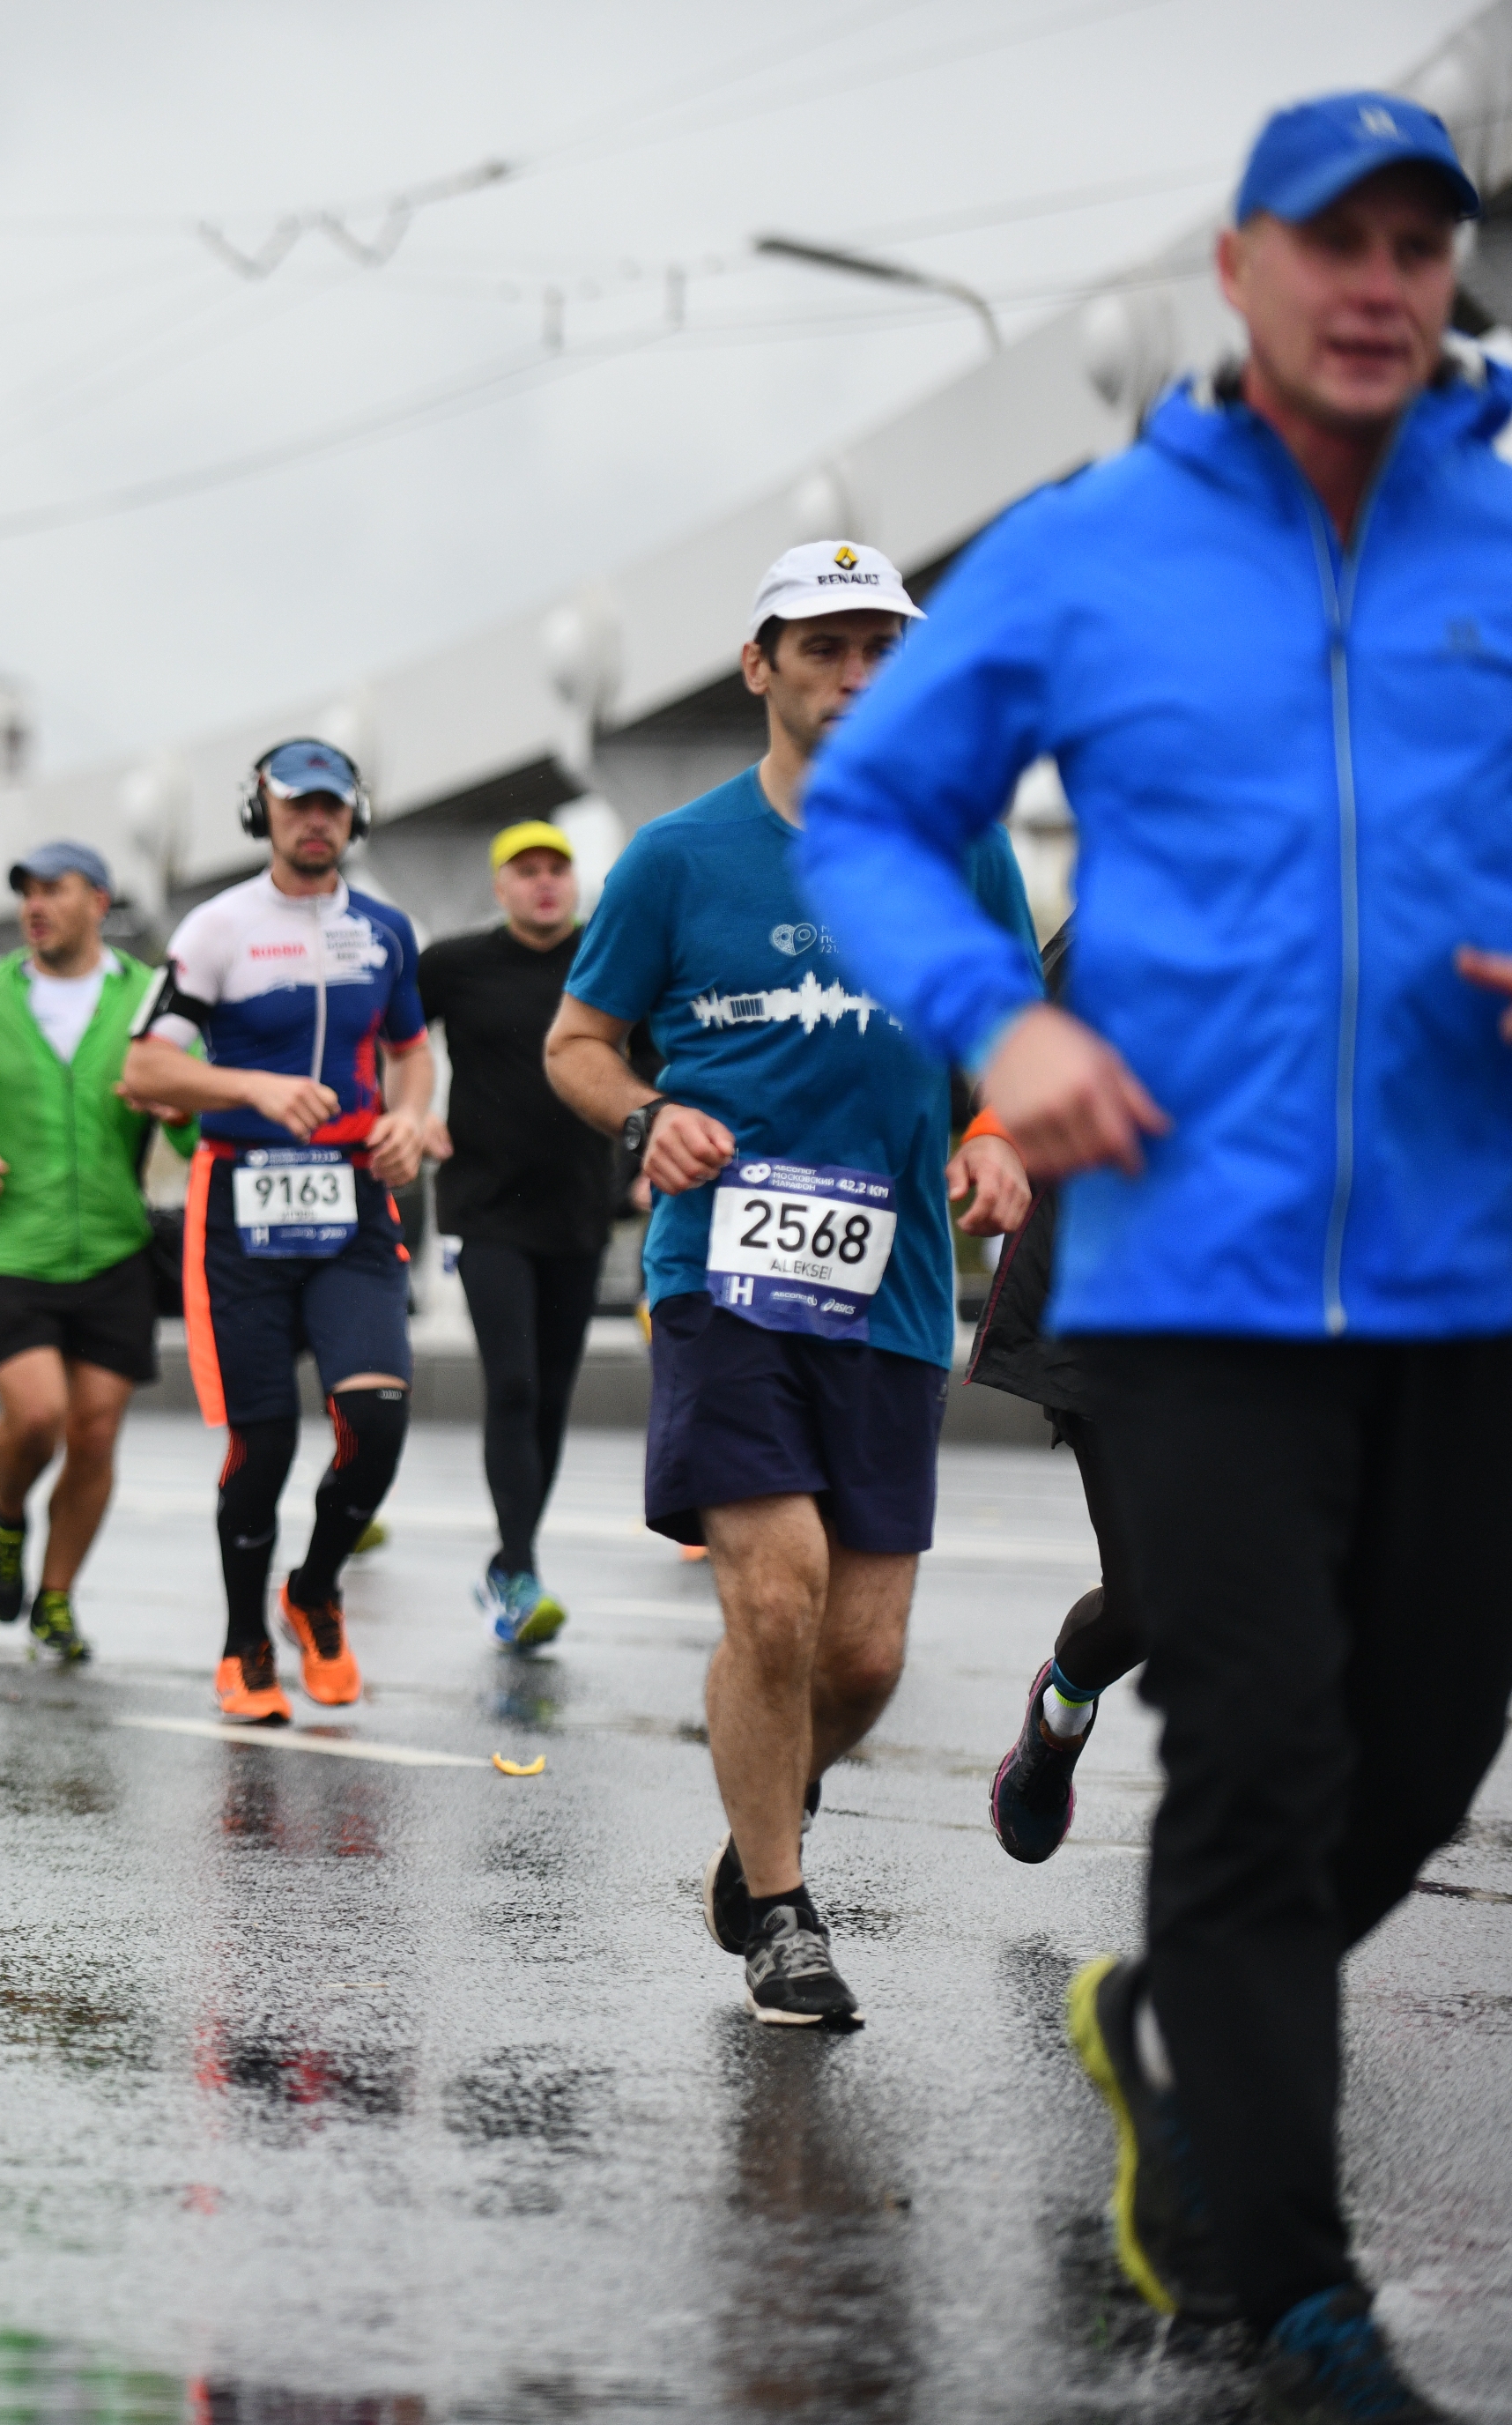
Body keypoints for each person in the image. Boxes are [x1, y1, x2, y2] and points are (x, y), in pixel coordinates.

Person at [796, 95, 1507, 2417]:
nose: (1382, 279)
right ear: (1241, 265)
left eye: (1424, 240)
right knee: (1268, 1750)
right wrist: (1006, 1024)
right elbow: (883, 819)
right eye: (1339, 241)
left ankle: (1183, 2025)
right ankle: (1283, 2288)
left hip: (1470, 1257)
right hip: (1189, 1272)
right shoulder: (1092, 550)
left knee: (1426, 1738)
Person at [544, 539, 1035, 2029]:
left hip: (887, 1284)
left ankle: (774, 1799)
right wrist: (644, 1115)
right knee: (774, 1599)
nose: (854, 675)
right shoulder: (676, 859)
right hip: (724, 1276)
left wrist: (999, 1136)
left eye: (880, 648)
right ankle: (777, 1910)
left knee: (864, 1650)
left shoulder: (959, 848)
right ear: (758, 666)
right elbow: (576, 1043)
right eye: (821, 647)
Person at [120, 740, 434, 1721]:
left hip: (351, 1202)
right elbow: (143, 1071)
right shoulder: (217, 928)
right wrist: (249, 1083)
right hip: (239, 1212)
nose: (316, 821)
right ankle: (242, 1638)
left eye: (332, 807)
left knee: (376, 1420)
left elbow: (411, 1053)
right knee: (261, 1448)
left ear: (355, 816)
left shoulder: (386, 930)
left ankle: (314, 1589)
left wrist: (411, 1121)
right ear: (262, 812)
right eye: (297, 805)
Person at [0, 839, 162, 1666]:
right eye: (25, 893)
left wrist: (193, 1118)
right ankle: (8, 1512)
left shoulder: (149, 998)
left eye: (54, 890)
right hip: (16, 1244)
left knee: (95, 1435)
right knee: (41, 1414)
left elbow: (191, 1100)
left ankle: (56, 1598)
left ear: (100, 899)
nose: (35, 906)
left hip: (119, 1246)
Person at [416, 820, 644, 1649]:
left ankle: (517, 1556)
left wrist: (652, 1153)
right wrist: (408, 1114)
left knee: (550, 1397)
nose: (544, 883)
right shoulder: (452, 965)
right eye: (526, 871)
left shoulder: (608, 957)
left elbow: (656, 1055)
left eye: (557, 869)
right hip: (486, 1209)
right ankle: (515, 1568)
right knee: (511, 1385)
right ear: (500, 886)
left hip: (580, 1210)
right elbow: (387, 1039)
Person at [952, 922, 1137, 1865]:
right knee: (1157, 1600)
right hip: (1111, 1295)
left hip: (1281, 1301)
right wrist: (995, 1139)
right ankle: (1058, 1716)